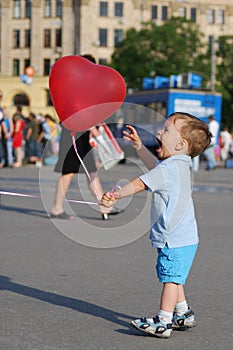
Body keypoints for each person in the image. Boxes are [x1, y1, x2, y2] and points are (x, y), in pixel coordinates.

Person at [100, 112, 212, 338]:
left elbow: (142, 182)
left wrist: (116, 195)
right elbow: (155, 168)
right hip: (184, 237)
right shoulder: (179, 164)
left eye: (166, 131)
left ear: (181, 143)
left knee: (170, 279)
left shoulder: (169, 168)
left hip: (175, 237)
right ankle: (183, 313)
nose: (159, 132)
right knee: (175, 276)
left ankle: (163, 321)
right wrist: (140, 147)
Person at [50, 54, 123, 220]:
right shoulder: (76, 87)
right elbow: (76, 110)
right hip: (73, 134)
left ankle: (103, 207)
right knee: (69, 172)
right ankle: (57, 207)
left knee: (90, 171)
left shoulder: (77, 86)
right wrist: (92, 126)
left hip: (78, 134)